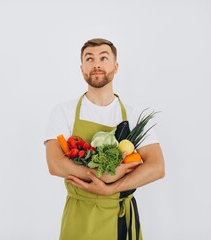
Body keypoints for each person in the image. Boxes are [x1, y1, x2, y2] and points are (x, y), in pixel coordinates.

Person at [44, 38, 165, 240]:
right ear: (82, 68)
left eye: (104, 58)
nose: (96, 64)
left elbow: (157, 167)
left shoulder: (133, 115)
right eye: (89, 59)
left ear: (115, 67)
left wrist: (110, 188)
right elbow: (55, 164)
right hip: (79, 215)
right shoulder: (63, 112)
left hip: (119, 215)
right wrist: (102, 174)